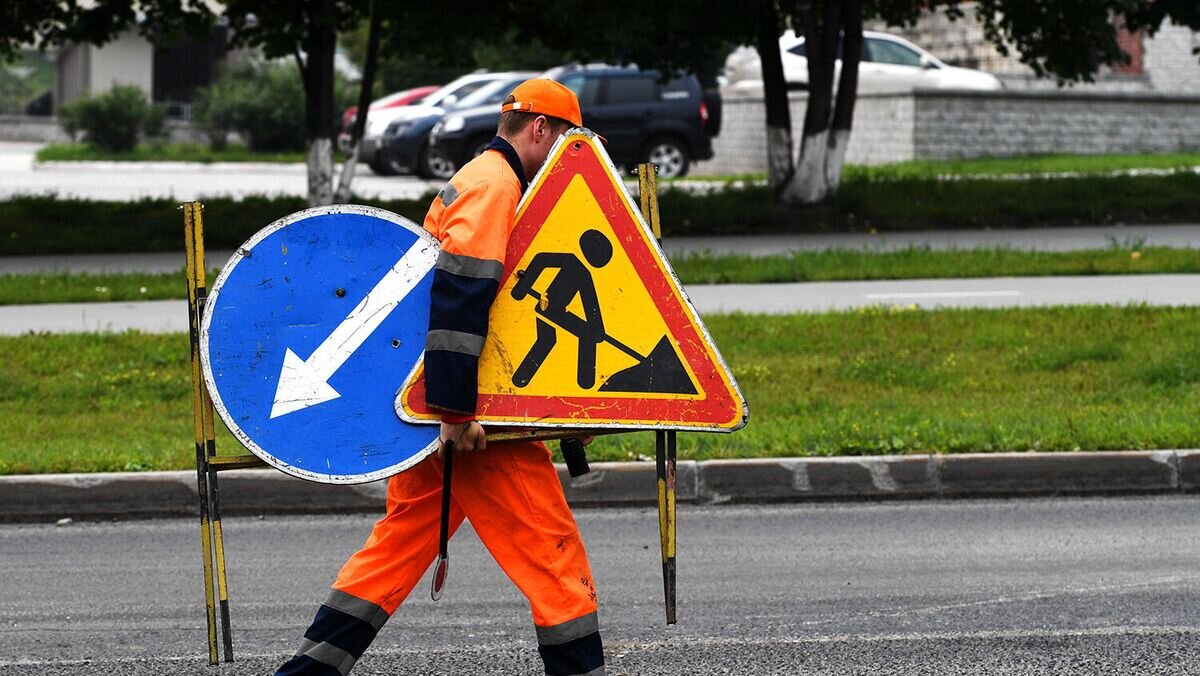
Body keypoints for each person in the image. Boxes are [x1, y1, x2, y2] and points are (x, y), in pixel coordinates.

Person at [274, 79, 605, 676]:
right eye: (568, 140)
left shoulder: (485, 178)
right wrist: (454, 413)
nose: (567, 155)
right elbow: (459, 297)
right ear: (541, 130)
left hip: (439, 403)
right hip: (468, 418)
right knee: (555, 563)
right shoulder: (496, 186)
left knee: (396, 549)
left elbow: (510, 315)